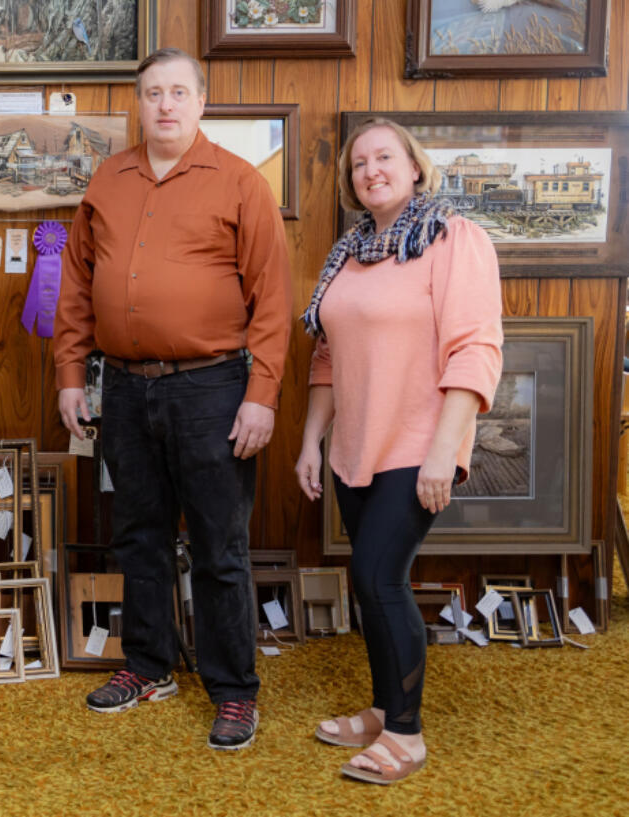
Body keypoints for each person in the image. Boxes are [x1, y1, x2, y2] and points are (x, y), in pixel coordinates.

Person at [55, 47, 292, 751]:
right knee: (139, 536)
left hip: (214, 389)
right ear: (138, 101)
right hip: (124, 389)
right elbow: (73, 287)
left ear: (200, 101)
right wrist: (71, 375)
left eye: (178, 92)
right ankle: (148, 665)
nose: (165, 105)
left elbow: (273, 299)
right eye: (153, 92)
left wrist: (262, 394)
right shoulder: (107, 178)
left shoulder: (241, 183)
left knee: (220, 545)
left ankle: (233, 690)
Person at [295, 117, 503, 784]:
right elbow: (327, 355)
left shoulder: (453, 239)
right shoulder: (350, 253)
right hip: (357, 446)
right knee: (373, 582)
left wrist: (446, 452)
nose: (370, 170)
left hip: (420, 442)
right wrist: (309, 440)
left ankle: (406, 736)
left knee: (377, 579)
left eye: (384, 157)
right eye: (359, 163)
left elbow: (475, 349)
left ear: (414, 167)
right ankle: (386, 708)